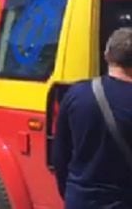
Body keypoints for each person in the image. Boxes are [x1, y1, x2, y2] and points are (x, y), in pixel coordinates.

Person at [54, 26, 132, 208]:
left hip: (81, 199)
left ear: (107, 55)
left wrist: (70, 193)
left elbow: (60, 154)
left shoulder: (76, 94)